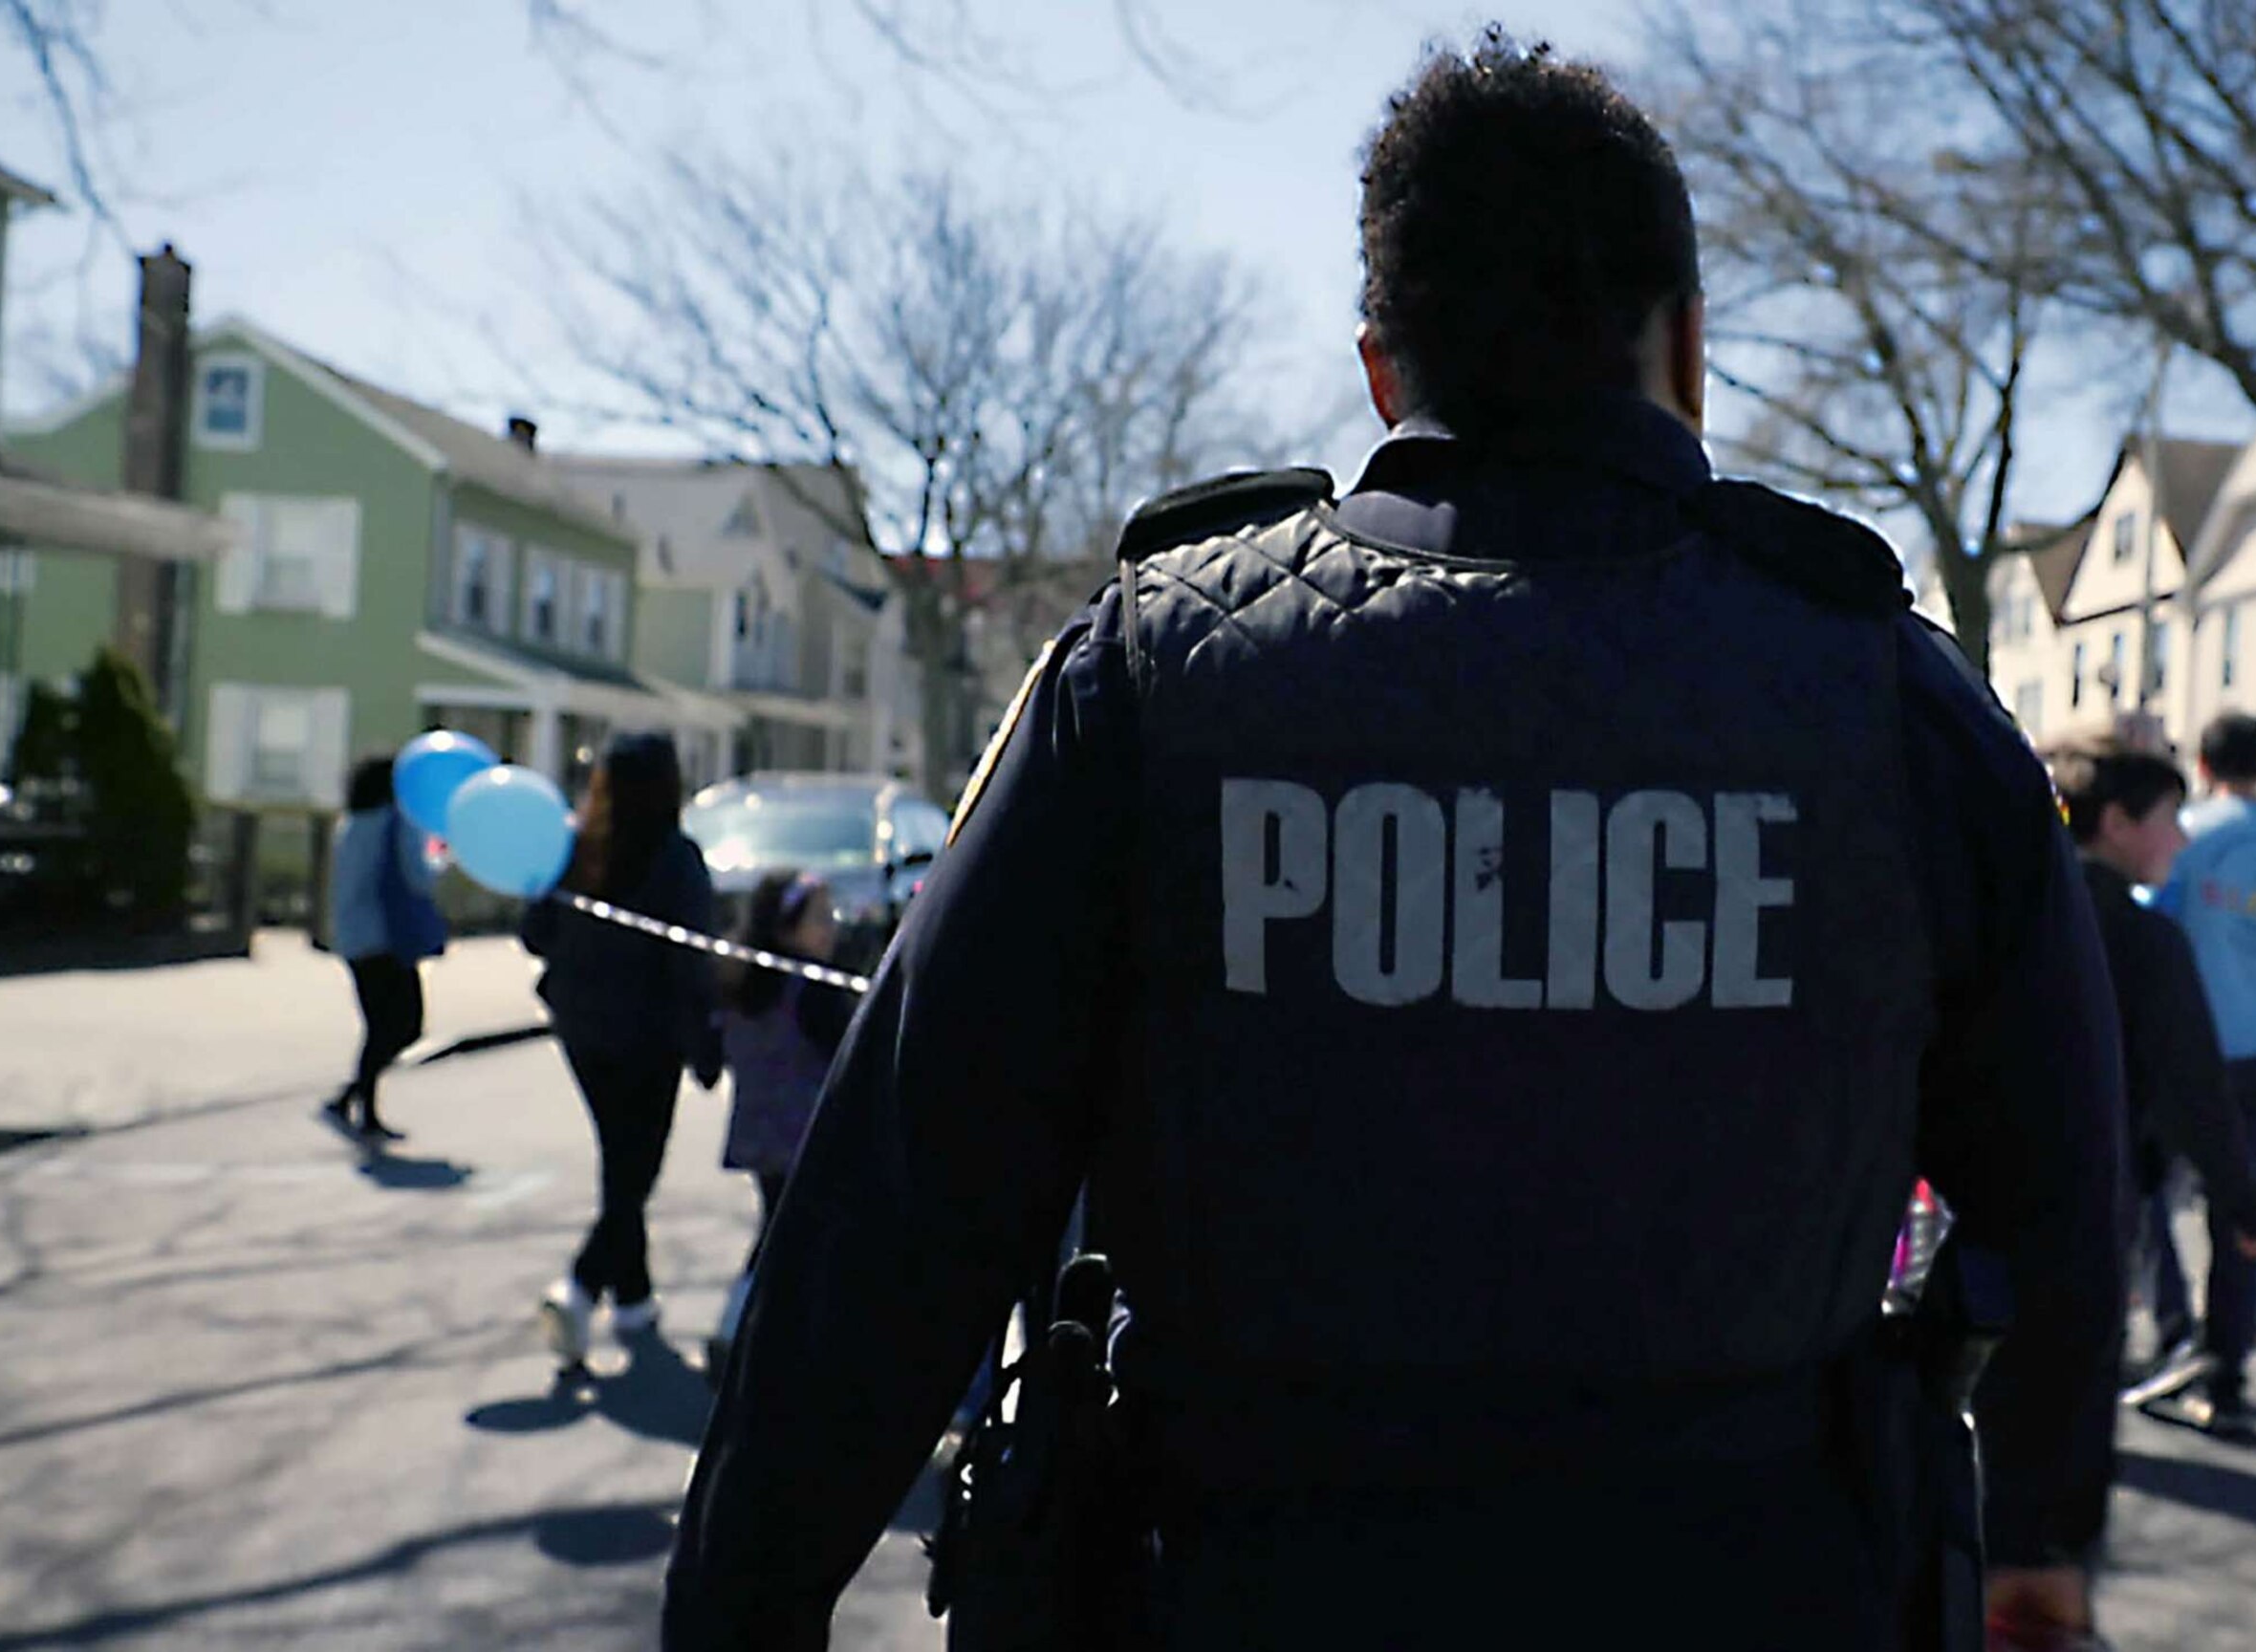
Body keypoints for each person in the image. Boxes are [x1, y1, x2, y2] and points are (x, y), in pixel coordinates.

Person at [664, 32, 2125, 1652]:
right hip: (1757, 1576)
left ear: (1381, 365)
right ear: (1687, 350)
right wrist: (2040, 1521)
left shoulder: (1157, 675)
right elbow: (2060, 1170)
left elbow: (905, 1199)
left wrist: (745, 1593)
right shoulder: (1892, 697)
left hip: (1229, 1579)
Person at [2014, 739, 2256, 1639]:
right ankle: (2050, 1610)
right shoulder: (2140, 935)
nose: (2180, 835)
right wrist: (2243, 1205)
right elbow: (2197, 1088)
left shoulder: (2002, 907)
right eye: (2167, 816)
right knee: (2071, 1425)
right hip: (2085, 1205)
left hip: (1970, 1200)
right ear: (2117, 822)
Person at [2139, 711, 2256, 1434]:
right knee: (2241, 1210)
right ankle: (2224, 1369)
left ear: (2203, 760)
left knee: (2144, 1193)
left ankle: (2171, 1332)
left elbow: (2150, 926)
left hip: (2182, 1046)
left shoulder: (2187, 836)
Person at [519, 730, 723, 1363]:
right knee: (636, 1174)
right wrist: (709, 1044)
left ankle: (632, 1299)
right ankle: (580, 1286)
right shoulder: (676, 857)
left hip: (582, 1030)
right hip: (649, 1039)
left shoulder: (576, 851)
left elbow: (535, 935)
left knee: (620, 1162)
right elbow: (693, 962)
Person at [707, 871, 857, 1373]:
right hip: (810, 1139)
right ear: (786, 928)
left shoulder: (745, 987)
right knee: (810, 1240)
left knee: (776, 1232)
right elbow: (847, 1055)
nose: (830, 927)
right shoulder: (812, 990)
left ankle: (741, 1327)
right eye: (819, 917)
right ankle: (764, 1335)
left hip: (760, 1136)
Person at [323, 754, 446, 1141]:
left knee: (379, 1025)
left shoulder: (349, 825)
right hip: (389, 938)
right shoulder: (398, 823)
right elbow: (419, 877)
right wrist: (442, 856)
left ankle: (355, 1103)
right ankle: (358, 1103)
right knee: (406, 1025)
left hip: (353, 938)